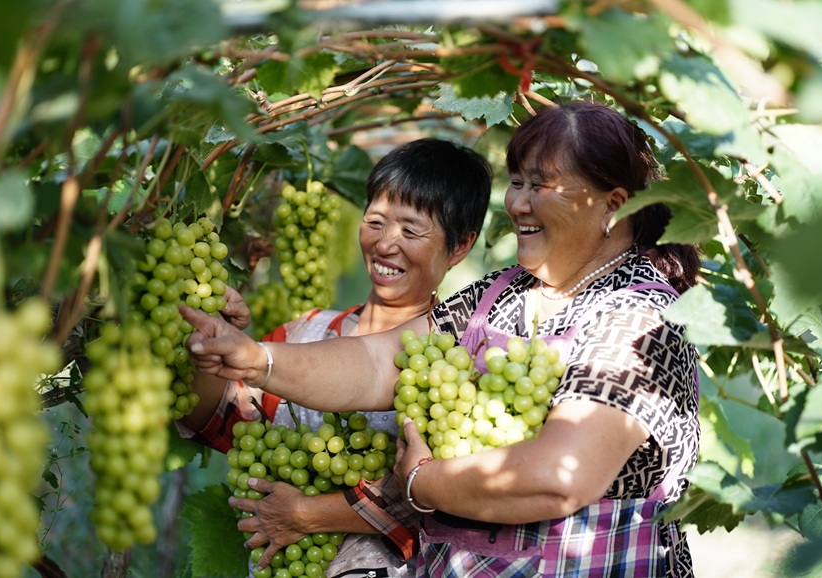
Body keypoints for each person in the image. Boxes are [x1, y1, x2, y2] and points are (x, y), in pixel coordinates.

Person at [182, 101, 702, 577]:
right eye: (515, 182)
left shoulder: (638, 320)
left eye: (538, 184)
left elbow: (557, 476)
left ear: (611, 203)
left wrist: (421, 482)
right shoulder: (504, 295)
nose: (517, 202)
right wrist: (255, 358)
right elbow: (378, 362)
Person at [175, 138, 493, 576]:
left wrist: (306, 513)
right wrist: (208, 338)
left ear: (460, 247)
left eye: (411, 229)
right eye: (376, 221)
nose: (385, 244)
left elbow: (433, 494)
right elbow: (217, 423)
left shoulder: (453, 366)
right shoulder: (304, 332)